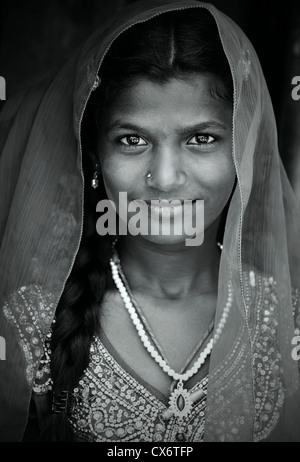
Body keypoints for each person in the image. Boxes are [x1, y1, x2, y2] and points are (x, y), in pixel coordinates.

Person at [0, 0, 300, 442]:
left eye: (201, 139)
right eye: (132, 139)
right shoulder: (30, 323)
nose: (163, 178)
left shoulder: (284, 322)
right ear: (97, 155)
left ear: (243, 153)